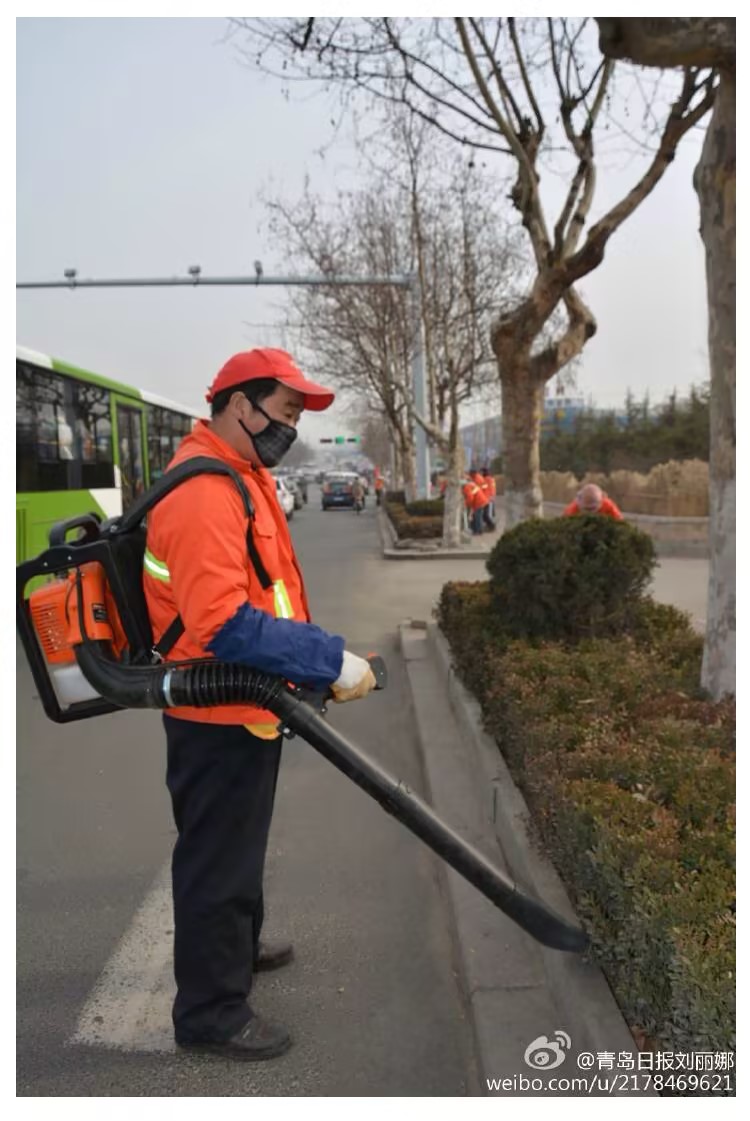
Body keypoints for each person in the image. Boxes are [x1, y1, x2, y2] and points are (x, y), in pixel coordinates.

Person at [143, 348, 377, 1061]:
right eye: (283, 412)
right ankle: (210, 1011)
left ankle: (237, 950)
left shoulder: (242, 475)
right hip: (214, 709)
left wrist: (306, 666)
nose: (290, 427)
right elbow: (221, 621)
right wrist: (326, 657)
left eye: (298, 417)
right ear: (238, 404)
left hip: (249, 700)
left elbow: (264, 593)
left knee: (240, 848)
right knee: (216, 858)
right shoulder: (205, 489)